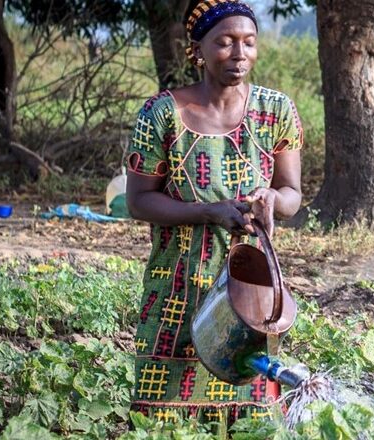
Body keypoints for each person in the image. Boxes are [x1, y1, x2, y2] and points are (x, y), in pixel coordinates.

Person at [125, 0, 303, 433]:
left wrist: (270, 200)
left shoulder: (276, 111)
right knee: (162, 419)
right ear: (197, 50)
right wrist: (208, 211)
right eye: (224, 42)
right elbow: (139, 201)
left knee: (248, 415)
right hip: (176, 290)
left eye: (248, 42)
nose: (239, 54)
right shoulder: (161, 115)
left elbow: (292, 194)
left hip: (250, 290)